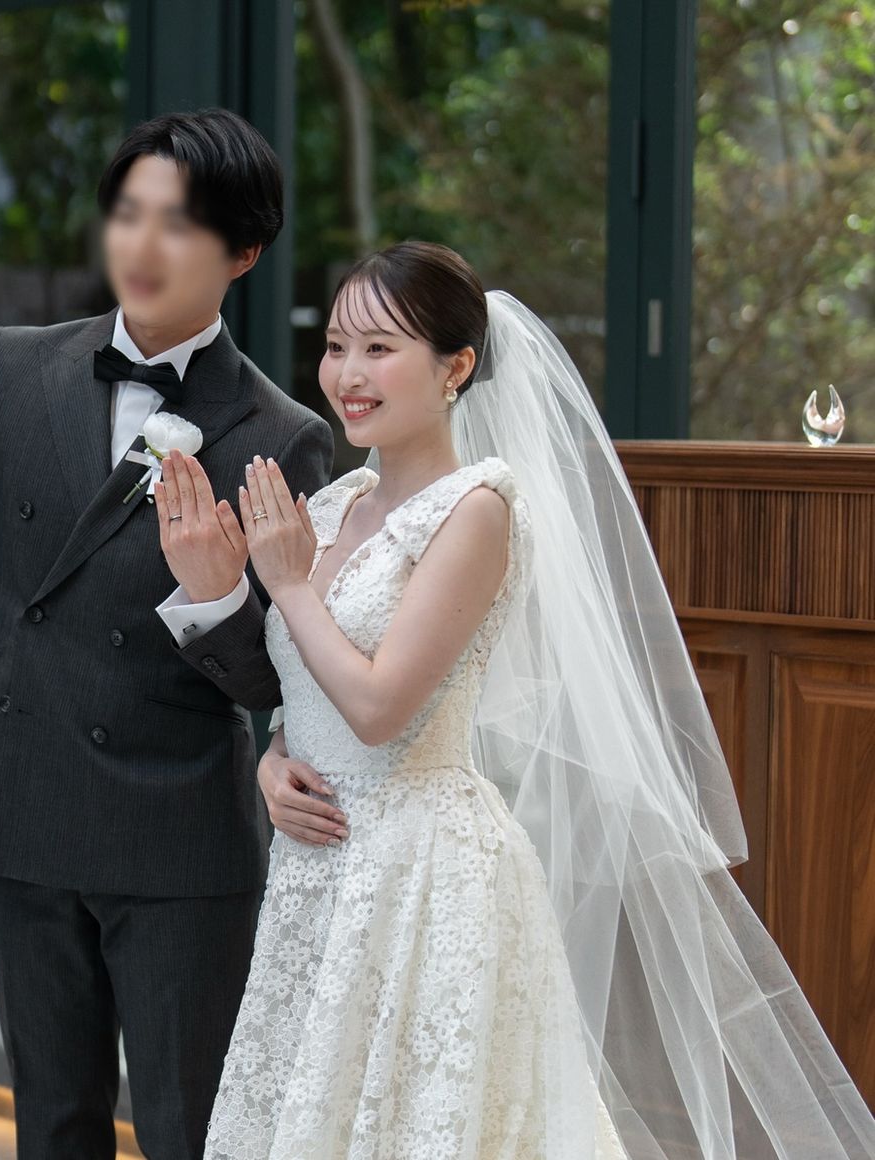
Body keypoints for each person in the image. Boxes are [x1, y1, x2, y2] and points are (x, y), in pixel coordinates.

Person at [157, 240, 875, 1158]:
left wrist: (288, 583)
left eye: (380, 348)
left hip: (422, 872)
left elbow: (380, 709)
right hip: (319, 869)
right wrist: (273, 759)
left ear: (456, 366)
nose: (347, 374)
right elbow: (312, 694)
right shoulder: (333, 504)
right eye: (336, 347)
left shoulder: (479, 510)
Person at [0, 107, 333, 1159]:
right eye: (128, 213)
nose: (141, 245)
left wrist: (214, 595)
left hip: (181, 837)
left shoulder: (284, 436)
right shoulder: (13, 367)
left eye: (177, 223)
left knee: (191, 1130)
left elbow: (283, 680)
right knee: (53, 1124)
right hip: (25, 804)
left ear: (243, 252)